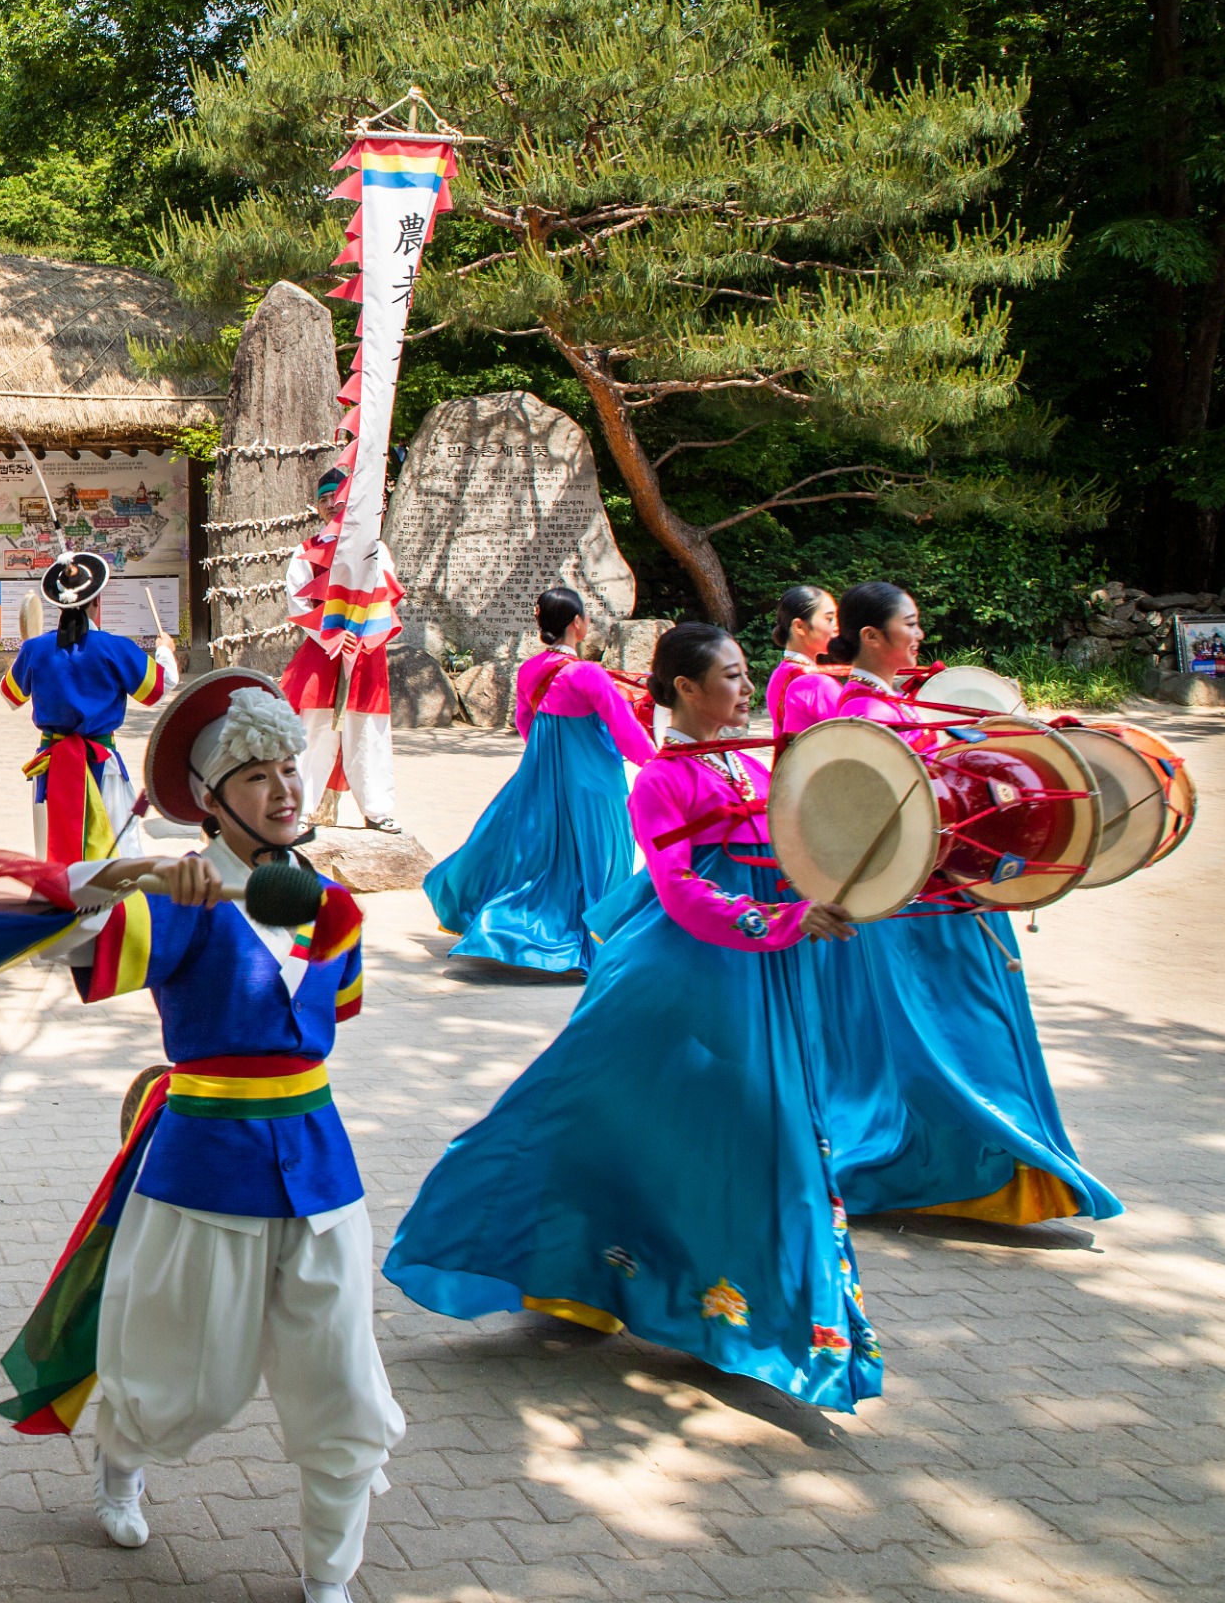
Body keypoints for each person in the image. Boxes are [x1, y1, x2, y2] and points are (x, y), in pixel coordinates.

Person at [384, 623, 883, 1412]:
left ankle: (734, 1315)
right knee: (628, 1120)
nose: (746, 687)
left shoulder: (752, 763)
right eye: (730, 674)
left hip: (762, 981)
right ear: (684, 687)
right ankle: (578, 1263)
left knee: (749, 1135)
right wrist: (781, 923)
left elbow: (792, 854)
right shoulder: (661, 782)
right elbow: (683, 894)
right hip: (684, 980)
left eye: (747, 672)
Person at [0, 670, 400, 1598]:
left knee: (342, 1378)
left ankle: (331, 1576)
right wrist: (129, 876)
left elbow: (340, 1007)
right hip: (202, 1169)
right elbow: (59, 938)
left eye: (289, 769)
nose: (285, 789)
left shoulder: (329, 904)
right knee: (185, 1377)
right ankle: (119, 1466)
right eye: (257, 775)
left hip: (320, 1167)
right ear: (213, 806)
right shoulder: (176, 900)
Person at [778, 580, 1120, 1226]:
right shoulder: (865, 718)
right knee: (952, 1034)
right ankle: (963, 1166)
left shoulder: (896, 708)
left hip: (951, 897)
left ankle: (997, 1169)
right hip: (918, 910)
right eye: (909, 623)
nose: (920, 633)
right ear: (870, 637)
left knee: (968, 1030)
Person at [421, 586, 656, 973]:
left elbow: (524, 721)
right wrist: (654, 761)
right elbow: (623, 727)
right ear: (576, 623)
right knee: (602, 850)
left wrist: (546, 757)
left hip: (543, 775)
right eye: (585, 616)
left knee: (540, 852)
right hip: (593, 779)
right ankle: (595, 940)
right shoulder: (589, 674)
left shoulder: (531, 669)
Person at [2, 549, 176, 863]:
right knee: (111, 854)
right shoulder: (116, 647)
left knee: (53, 855)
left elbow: (11, 695)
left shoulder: (35, 649)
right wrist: (165, 652)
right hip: (101, 763)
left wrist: (26, 652)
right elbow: (158, 690)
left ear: (57, 604)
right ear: (97, 601)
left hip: (51, 766)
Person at [280, 466, 400, 832]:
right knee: (314, 731)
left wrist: (362, 632)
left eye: (338, 497)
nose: (332, 504)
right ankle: (300, 810)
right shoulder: (305, 553)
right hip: (323, 653)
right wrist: (331, 635)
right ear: (316, 507)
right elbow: (298, 603)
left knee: (368, 731)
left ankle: (378, 810)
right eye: (324, 499)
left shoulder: (375, 549)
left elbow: (384, 595)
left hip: (365, 652)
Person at [764, 583, 842, 736]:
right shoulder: (818, 684)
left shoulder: (779, 674)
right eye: (830, 619)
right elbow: (853, 738)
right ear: (800, 627)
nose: (837, 626)